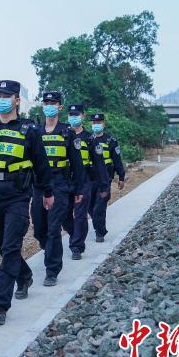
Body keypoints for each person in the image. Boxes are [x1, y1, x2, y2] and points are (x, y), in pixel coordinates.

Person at [0, 80, 53, 326]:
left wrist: (47, 192)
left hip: (18, 198)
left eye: (7, 95)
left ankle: (0, 305)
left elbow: (41, 164)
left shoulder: (28, 129)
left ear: (17, 100)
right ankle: (24, 275)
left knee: (11, 247)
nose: (1, 98)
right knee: (1, 244)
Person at [30, 91, 84, 287]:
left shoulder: (67, 132)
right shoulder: (35, 131)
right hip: (38, 185)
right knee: (39, 228)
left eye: (53, 102)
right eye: (46, 102)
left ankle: (52, 270)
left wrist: (78, 190)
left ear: (60, 106)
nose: (49, 105)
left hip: (59, 184)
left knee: (53, 229)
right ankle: (48, 248)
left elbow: (77, 164)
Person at [62, 104, 110, 260]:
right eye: (71, 114)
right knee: (64, 215)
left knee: (80, 215)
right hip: (64, 181)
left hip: (84, 181)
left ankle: (77, 246)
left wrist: (104, 185)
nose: (73, 117)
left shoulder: (90, 139)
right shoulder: (63, 135)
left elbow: (99, 163)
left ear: (83, 116)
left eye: (76, 114)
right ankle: (74, 235)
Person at [88, 113, 125, 242]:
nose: (96, 125)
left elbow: (117, 160)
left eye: (99, 122)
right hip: (90, 177)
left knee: (100, 205)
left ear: (103, 124)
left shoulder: (111, 141)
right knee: (90, 206)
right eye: (94, 123)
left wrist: (121, 177)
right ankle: (98, 226)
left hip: (105, 178)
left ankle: (100, 232)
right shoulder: (88, 139)